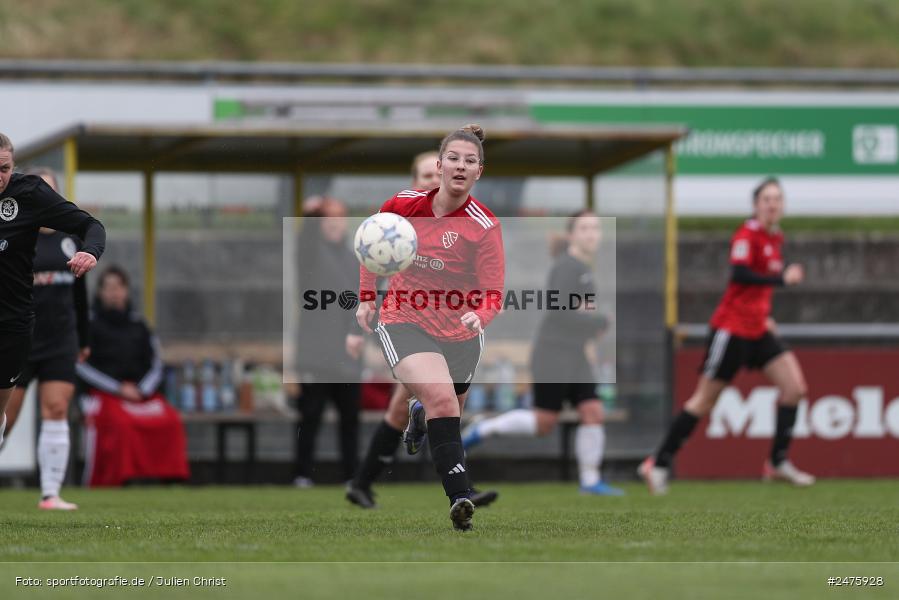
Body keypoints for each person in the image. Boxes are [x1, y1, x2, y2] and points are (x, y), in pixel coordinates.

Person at [355, 125, 504, 530]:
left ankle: (420, 416)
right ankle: (461, 497)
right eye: (453, 159)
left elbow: (494, 291)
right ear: (438, 166)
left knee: (448, 409)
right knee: (443, 401)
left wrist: (481, 315)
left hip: (460, 332)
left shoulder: (484, 225)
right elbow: (371, 247)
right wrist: (368, 298)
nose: (460, 166)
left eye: (469, 161)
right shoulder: (402, 205)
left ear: (479, 172)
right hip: (404, 319)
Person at [639, 177, 814, 495]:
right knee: (704, 401)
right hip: (732, 330)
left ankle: (777, 462)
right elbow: (740, 273)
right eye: (766, 199)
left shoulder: (776, 238)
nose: (772, 204)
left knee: (795, 389)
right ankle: (658, 462)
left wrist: (766, 315)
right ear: (756, 205)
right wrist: (782, 279)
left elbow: (755, 288)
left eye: (777, 199)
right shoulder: (747, 234)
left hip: (758, 329)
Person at [461, 211, 624, 496]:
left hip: (574, 355)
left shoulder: (583, 269)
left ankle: (589, 481)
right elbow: (560, 312)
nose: (591, 233)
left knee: (592, 411)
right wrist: (601, 322)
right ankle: (483, 429)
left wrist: (591, 331)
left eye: (596, 228)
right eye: (584, 228)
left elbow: (579, 316)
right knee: (544, 423)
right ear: (572, 234)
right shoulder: (566, 267)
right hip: (553, 354)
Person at [0, 133, 104, 456]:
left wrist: (91, 252)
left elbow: (91, 226)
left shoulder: (28, 194)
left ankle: (50, 494)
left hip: (12, 324)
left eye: (3, 168)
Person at [2, 168, 90, 510]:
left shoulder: (70, 240)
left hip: (60, 339)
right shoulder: (16, 235)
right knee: (7, 415)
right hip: (20, 336)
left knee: (56, 408)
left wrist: (84, 338)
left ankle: (50, 493)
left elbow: (81, 296)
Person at [76, 266, 189, 486]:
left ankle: (171, 478)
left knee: (171, 420)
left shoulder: (139, 325)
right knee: (121, 424)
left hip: (140, 392)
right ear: (99, 292)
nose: (114, 293)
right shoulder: (88, 324)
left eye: (118, 287)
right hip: (104, 393)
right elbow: (81, 366)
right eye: (108, 288)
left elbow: (156, 363)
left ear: (126, 291)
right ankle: (121, 479)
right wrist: (118, 389)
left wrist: (142, 390)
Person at [293, 196, 363, 487]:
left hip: (347, 354)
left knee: (350, 421)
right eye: (327, 217)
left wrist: (360, 334)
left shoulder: (353, 257)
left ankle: (352, 477)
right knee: (310, 418)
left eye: (339, 216)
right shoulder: (311, 253)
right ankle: (303, 475)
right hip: (315, 354)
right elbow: (304, 243)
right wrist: (309, 214)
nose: (334, 222)